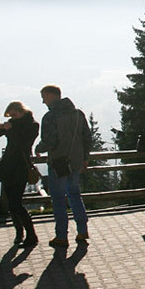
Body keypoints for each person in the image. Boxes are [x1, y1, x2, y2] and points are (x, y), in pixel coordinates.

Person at [34, 85, 92, 249]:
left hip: (58, 162)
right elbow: (87, 137)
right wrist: (85, 158)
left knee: (58, 198)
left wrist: (39, 148)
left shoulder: (50, 117)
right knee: (74, 193)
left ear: (51, 96)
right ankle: (82, 230)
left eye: (44, 96)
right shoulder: (78, 114)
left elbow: (50, 141)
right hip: (75, 161)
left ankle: (61, 235)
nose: (43, 101)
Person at [0, 101, 40, 247]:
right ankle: (19, 233)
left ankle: (31, 234)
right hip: (8, 166)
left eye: (14, 114)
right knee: (11, 204)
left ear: (21, 111)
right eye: (11, 115)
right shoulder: (12, 124)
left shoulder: (32, 125)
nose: (13, 117)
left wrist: (11, 129)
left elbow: (24, 142)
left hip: (21, 166)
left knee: (16, 203)